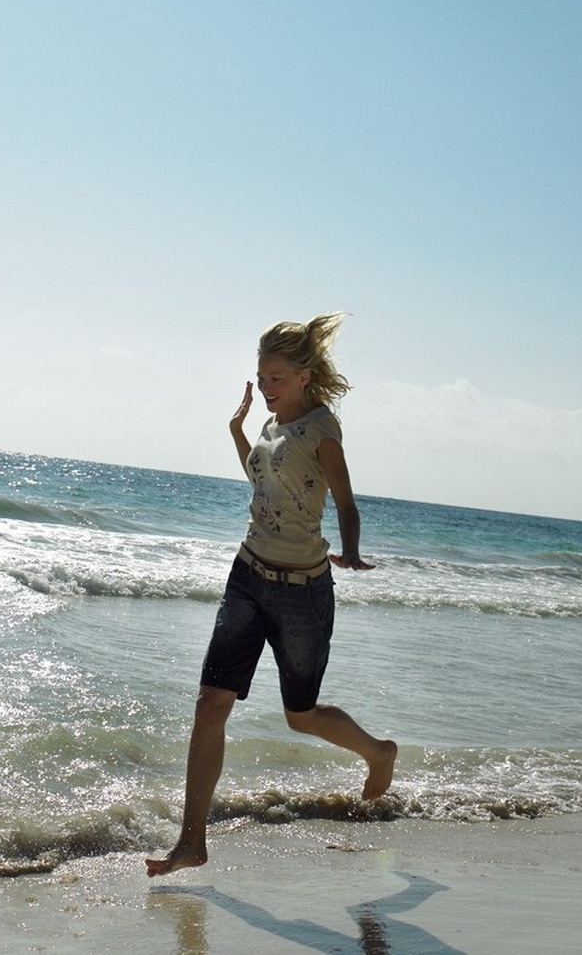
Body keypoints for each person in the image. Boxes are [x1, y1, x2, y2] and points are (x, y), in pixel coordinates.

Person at [146, 313, 397, 876]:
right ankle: (191, 842)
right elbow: (266, 484)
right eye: (261, 377)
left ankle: (379, 752)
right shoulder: (270, 425)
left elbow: (346, 502)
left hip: (302, 590)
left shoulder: (321, 430)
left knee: (300, 716)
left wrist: (351, 551)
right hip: (248, 573)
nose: (266, 388)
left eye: (276, 378)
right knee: (212, 703)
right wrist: (238, 434)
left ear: (305, 375)